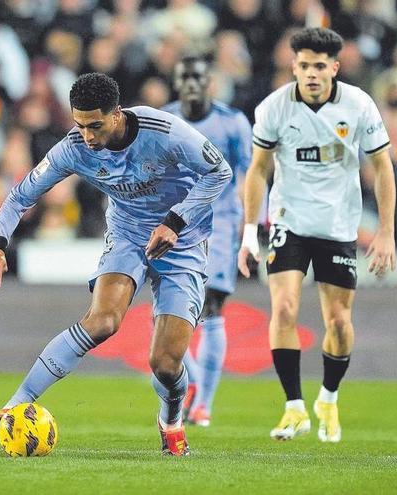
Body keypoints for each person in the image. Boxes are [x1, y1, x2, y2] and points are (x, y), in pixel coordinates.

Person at [0, 72, 231, 456]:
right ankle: (15, 403)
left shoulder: (164, 131)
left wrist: (175, 221)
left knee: (164, 363)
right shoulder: (73, 148)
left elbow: (220, 171)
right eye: (79, 126)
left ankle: (171, 420)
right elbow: (19, 196)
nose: (88, 136)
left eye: (95, 125)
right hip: (128, 238)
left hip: (184, 244)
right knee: (102, 322)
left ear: (117, 114)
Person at [237, 28, 395, 443]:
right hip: (290, 221)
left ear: (335, 69)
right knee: (284, 307)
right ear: (294, 66)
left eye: (319, 66)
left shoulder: (358, 105)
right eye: (304, 65)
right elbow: (258, 170)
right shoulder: (275, 107)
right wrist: (249, 232)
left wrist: (385, 231)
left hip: (339, 227)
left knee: (339, 323)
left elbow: (382, 167)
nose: (311, 73)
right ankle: (294, 408)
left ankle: (328, 396)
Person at [162, 55, 253, 427]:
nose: (192, 85)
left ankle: (204, 404)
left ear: (210, 82)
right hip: (176, 223)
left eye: (199, 77)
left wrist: (251, 228)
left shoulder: (233, 122)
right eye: (185, 77)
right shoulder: (164, 119)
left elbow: (250, 176)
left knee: (211, 306)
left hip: (221, 223)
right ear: (176, 81)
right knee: (168, 313)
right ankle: (196, 383)